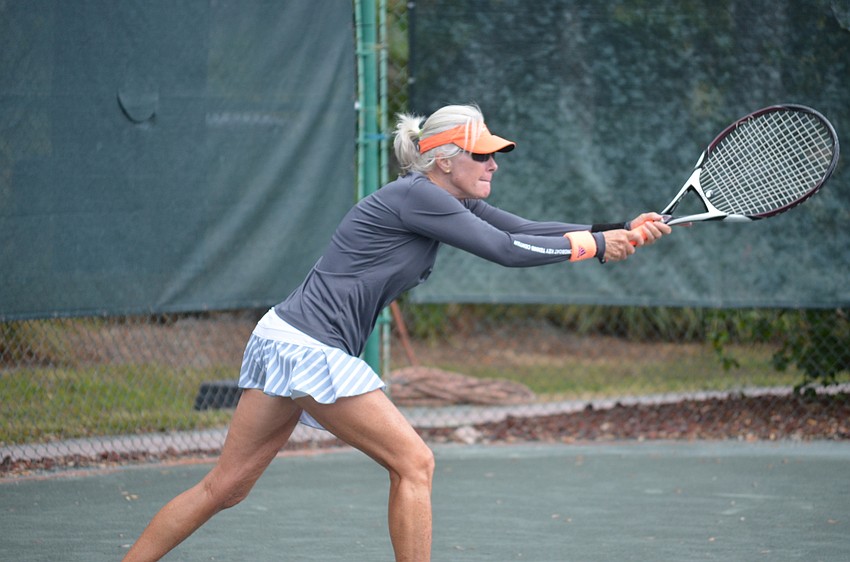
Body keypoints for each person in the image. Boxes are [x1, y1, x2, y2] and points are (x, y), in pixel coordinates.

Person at [122, 104, 672, 562]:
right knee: (415, 463)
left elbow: (525, 230)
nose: (493, 165)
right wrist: (595, 247)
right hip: (307, 345)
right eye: (482, 155)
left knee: (228, 487)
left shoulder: (442, 197)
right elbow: (507, 252)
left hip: (285, 335)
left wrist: (614, 230)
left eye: (494, 155)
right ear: (445, 159)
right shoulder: (419, 196)